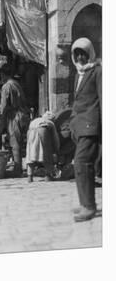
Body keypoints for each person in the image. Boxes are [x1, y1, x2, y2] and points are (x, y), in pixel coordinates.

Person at [69, 37, 101, 222]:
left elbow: (104, 100)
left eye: (83, 53)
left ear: (90, 53)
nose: (80, 57)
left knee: (81, 164)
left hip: (91, 126)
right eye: (77, 53)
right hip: (79, 127)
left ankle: (88, 206)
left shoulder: (97, 72)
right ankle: (86, 203)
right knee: (84, 166)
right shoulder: (78, 74)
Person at [0, 64, 30, 177]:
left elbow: (4, 106)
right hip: (23, 115)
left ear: (3, 74)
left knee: (15, 143)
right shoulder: (16, 83)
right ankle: (19, 166)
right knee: (21, 141)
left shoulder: (6, 86)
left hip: (14, 116)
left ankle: (18, 169)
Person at [25, 111, 60, 182]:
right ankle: (48, 176)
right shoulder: (50, 123)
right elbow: (55, 138)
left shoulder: (35, 120)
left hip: (30, 132)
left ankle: (30, 176)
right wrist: (57, 149)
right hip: (42, 130)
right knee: (47, 154)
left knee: (30, 154)